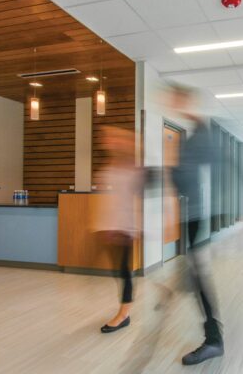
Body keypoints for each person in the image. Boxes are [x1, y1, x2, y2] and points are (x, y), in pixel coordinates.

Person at [167, 83, 243, 365]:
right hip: (191, 215)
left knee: (200, 274)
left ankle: (213, 340)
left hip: (200, 217)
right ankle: (186, 286)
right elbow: (183, 177)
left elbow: (235, 167)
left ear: (188, 102)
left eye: (176, 99)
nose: (172, 103)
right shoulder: (192, 135)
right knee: (196, 272)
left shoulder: (203, 136)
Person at [94, 125, 143, 334]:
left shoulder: (134, 169)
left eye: (113, 138)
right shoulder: (112, 165)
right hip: (112, 226)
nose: (108, 141)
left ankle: (123, 314)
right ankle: (124, 310)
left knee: (123, 271)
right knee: (118, 270)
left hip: (126, 227)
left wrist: (135, 227)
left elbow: (139, 200)